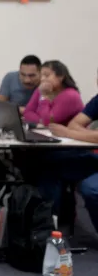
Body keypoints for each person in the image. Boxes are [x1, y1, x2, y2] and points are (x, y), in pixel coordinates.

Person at [48, 69, 98, 233]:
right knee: (53, 164)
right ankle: (50, 224)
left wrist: (70, 134)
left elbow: (68, 130)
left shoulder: (69, 95)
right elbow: (74, 124)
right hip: (94, 156)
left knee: (91, 188)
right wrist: (90, 135)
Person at [23, 60, 84, 126]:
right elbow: (27, 112)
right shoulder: (41, 89)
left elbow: (48, 121)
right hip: (47, 132)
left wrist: (44, 96)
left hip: (68, 135)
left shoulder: (70, 95)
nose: (42, 79)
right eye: (41, 76)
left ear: (60, 77)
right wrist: (41, 121)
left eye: (46, 75)